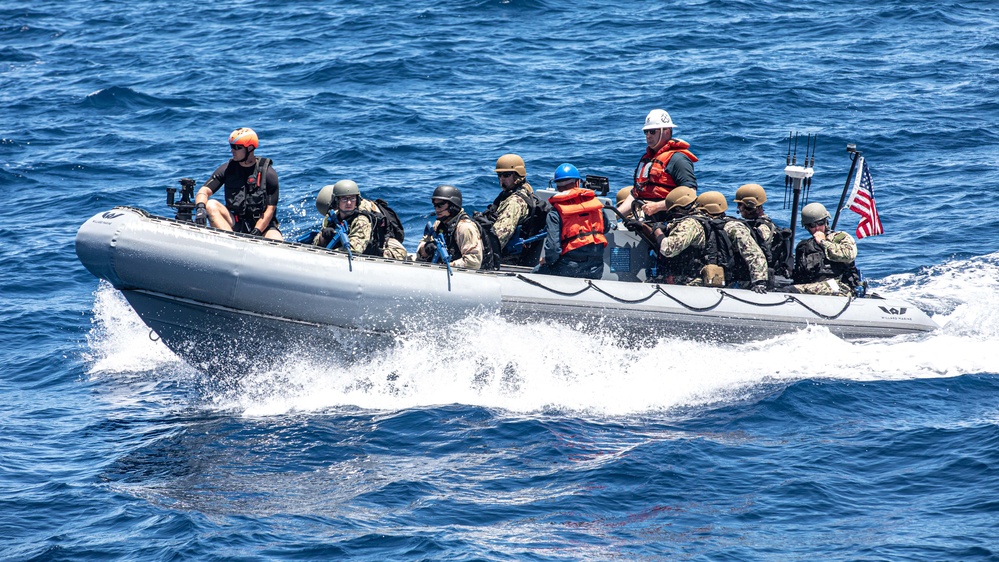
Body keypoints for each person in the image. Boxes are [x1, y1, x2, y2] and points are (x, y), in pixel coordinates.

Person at [194, 128, 282, 240]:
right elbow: (204, 191)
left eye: (237, 147)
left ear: (250, 148)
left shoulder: (269, 174)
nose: (232, 151)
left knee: (277, 239)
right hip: (235, 223)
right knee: (211, 205)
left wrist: (256, 232)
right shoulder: (227, 169)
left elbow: (270, 210)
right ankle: (231, 243)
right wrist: (200, 208)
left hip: (262, 226)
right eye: (231, 146)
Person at [628, 186, 726, 286]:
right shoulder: (693, 221)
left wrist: (657, 229)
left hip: (691, 281)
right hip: (683, 277)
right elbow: (662, 241)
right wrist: (643, 227)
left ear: (679, 208)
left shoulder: (690, 224)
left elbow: (667, 248)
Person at [617, 109, 697, 222]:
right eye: (646, 132)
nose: (648, 136)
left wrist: (657, 206)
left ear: (667, 131)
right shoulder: (646, 160)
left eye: (653, 131)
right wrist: (614, 216)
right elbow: (636, 194)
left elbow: (690, 195)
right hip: (646, 221)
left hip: (670, 222)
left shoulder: (678, 160)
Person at [536, 163, 609, 279]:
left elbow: (553, 248)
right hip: (596, 268)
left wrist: (547, 261)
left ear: (557, 187)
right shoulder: (596, 205)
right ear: (578, 183)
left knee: (534, 274)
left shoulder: (555, 212)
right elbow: (606, 227)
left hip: (568, 268)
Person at [312, 180, 408, 260]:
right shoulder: (334, 217)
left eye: (352, 198)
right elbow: (316, 241)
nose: (349, 203)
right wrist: (323, 238)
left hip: (390, 252)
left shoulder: (361, 220)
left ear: (357, 200)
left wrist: (327, 255)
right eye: (344, 199)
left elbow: (354, 249)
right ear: (337, 201)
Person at [696, 191, 769, 293]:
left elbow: (753, 253)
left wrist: (759, 282)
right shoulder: (709, 227)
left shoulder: (732, 227)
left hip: (741, 280)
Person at [480, 154, 545, 265]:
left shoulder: (514, 202)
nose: (501, 179)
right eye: (499, 175)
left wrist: (477, 252)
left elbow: (499, 237)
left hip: (507, 259)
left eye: (506, 175)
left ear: (517, 176)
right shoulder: (523, 191)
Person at [790, 202, 862, 296]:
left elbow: (849, 255)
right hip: (814, 288)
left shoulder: (840, 238)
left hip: (840, 287)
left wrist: (823, 242)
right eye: (812, 225)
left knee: (792, 290)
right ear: (807, 227)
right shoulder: (804, 247)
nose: (817, 228)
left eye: (820, 223)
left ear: (826, 221)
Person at [416, 185, 483, 270]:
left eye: (440, 205)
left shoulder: (465, 227)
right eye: (435, 205)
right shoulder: (439, 224)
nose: (436, 209)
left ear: (452, 205)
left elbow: (474, 262)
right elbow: (420, 249)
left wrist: (449, 266)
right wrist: (426, 248)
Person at [734, 183, 792, 278]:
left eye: (740, 205)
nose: (738, 208)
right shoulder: (768, 225)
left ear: (749, 206)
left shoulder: (760, 229)